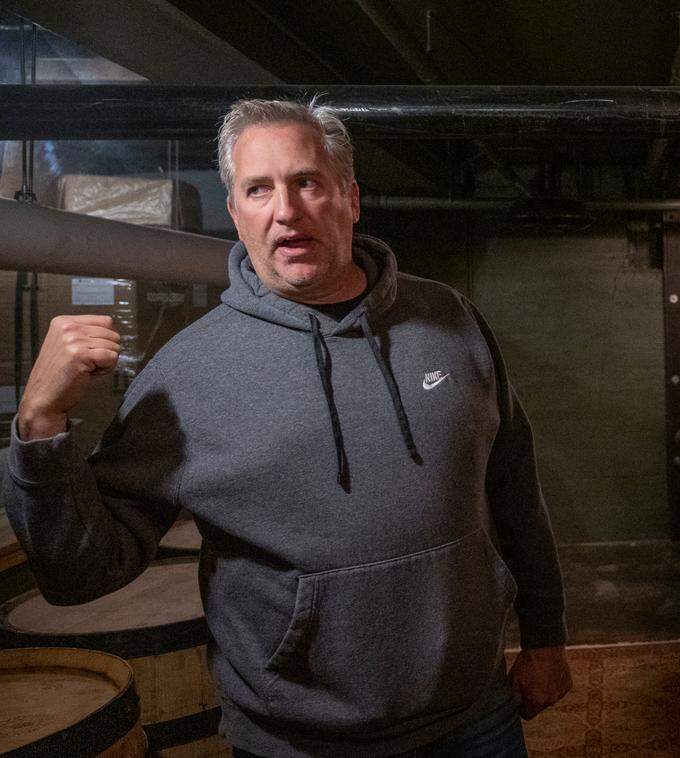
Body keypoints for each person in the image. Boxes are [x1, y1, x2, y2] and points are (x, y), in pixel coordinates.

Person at [4, 98, 571, 757]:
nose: (287, 209)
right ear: (237, 211)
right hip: (297, 743)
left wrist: (548, 636)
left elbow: (515, 488)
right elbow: (83, 574)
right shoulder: (190, 373)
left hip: (474, 717)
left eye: (307, 182)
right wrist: (39, 428)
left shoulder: (449, 320)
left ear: (350, 198)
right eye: (258, 189)